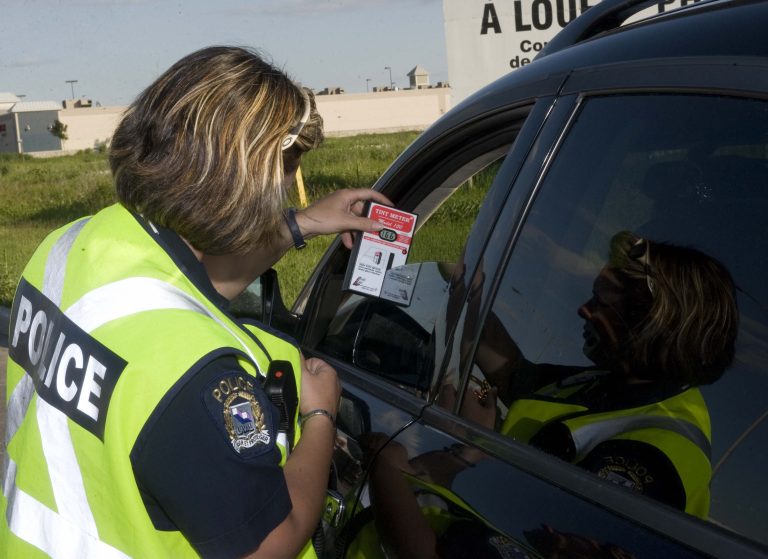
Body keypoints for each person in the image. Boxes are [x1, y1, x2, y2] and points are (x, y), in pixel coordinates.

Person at [1, 46, 391, 559]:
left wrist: (301, 224)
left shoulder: (71, 245)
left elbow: (182, 283)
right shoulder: (198, 375)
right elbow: (270, 542)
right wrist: (319, 415)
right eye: (282, 176)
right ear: (243, 185)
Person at [491, 231, 739, 518]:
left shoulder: (650, 460)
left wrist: (471, 449)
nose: (583, 309)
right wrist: (467, 291)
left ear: (648, 323)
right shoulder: (619, 386)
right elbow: (514, 375)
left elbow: (543, 529)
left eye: (601, 302)